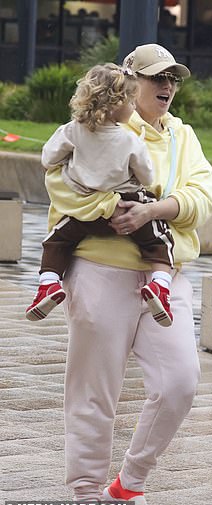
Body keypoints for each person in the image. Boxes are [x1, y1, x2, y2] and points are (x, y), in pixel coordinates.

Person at [43, 43, 212, 505]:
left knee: (180, 381)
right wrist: (107, 210)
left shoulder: (184, 135)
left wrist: (155, 209)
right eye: (156, 78)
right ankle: (85, 498)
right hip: (100, 269)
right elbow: (57, 182)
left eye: (173, 79)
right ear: (129, 80)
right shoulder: (97, 125)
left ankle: (129, 483)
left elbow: (203, 195)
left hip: (166, 272)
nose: (166, 86)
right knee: (93, 391)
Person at [26, 63, 176, 328]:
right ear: (115, 104)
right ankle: (160, 288)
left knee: (57, 241)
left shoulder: (73, 130)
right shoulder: (130, 141)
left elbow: (48, 159)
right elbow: (148, 178)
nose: (133, 106)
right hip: (127, 209)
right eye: (130, 100)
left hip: (85, 213)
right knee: (159, 241)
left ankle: (48, 284)